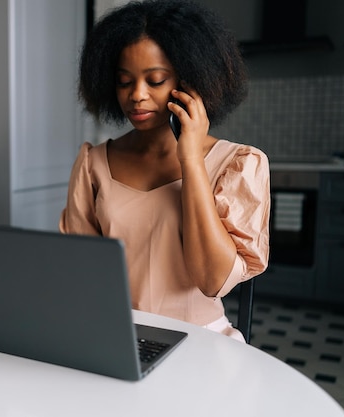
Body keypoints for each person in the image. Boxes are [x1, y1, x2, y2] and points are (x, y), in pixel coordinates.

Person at [59, 0, 270, 342]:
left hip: (199, 341)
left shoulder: (239, 165)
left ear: (191, 80)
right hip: (115, 336)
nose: (137, 96)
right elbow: (82, 275)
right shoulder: (93, 164)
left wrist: (191, 160)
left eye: (155, 80)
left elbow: (213, 280)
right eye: (124, 81)